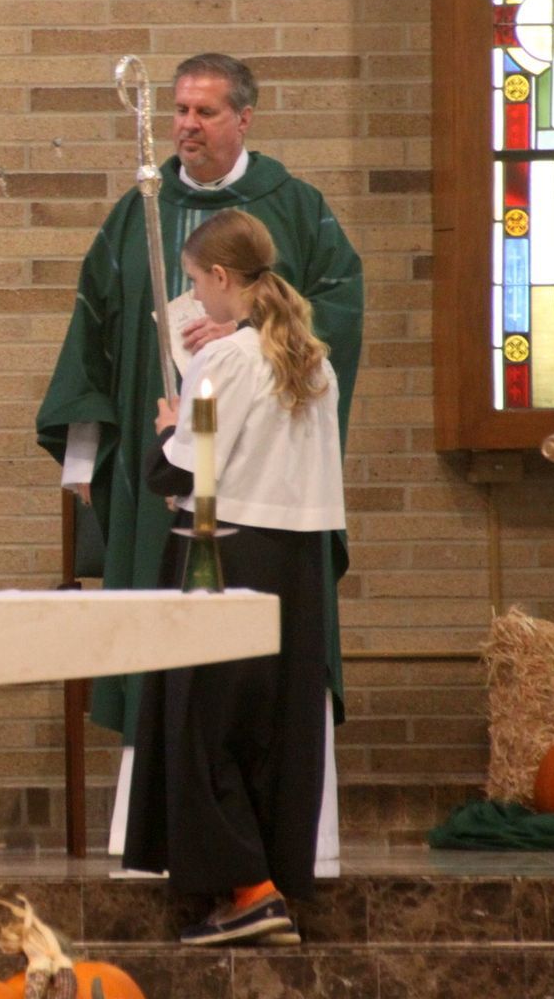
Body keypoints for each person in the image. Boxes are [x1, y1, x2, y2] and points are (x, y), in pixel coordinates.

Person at [34, 53, 361, 849]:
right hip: (223, 506)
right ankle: (264, 850)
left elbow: (338, 312)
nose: (187, 125)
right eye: (179, 110)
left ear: (244, 119)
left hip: (222, 500)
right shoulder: (136, 213)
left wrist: (215, 371)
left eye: (206, 112)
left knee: (211, 689)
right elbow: (99, 328)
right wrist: (85, 455)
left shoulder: (295, 208)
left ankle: (215, 851)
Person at [122, 209, 345, 945]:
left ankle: (245, 890)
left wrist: (165, 424)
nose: (195, 295)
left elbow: (184, 468)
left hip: (225, 551)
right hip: (298, 566)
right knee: (273, 728)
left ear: (221, 279)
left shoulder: (225, 364)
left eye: (194, 282)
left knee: (205, 724)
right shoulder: (314, 359)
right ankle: (269, 880)